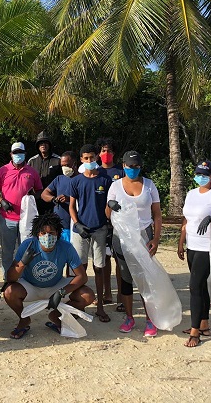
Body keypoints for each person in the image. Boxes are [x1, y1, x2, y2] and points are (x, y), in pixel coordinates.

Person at [3, 213, 95, 339]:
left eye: (52, 232)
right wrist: (22, 263)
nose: (47, 236)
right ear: (37, 234)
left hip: (56, 285)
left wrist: (62, 291)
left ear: (58, 233)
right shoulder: (28, 245)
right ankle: (23, 319)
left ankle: (56, 317)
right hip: (31, 286)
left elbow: (82, 277)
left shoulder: (66, 247)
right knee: (9, 292)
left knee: (88, 295)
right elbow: (10, 278)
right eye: (43, 233)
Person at [106, 150, 162, 337]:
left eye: (137, 166)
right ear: (123, 166)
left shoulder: (149, 185)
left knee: (145, 278)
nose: (133, 169)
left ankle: (150, 319)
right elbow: (107, 214)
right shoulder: (115, 186)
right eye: (130, 166)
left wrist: (155, 238)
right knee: (126, 277)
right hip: (121, 236)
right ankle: (129, 317)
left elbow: (157, 215)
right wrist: (110, 206)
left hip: (143, 235)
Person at [177, 160, 211, 348]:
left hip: (208, 246)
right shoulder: (191, 194)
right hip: (192, 243)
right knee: (199, 287)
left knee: (194, 286)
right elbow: (186, 219)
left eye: (205, 175)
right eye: (198, 174)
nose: (201, 178)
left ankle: (194, 332)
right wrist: (181, 242)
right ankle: (204, 322)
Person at [69, 143, 113, 323]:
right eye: (85, 158)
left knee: (100, 267)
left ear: (96, 158)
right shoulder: (76, 181)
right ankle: (78, 304)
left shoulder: (105, 180)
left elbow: (109, 206)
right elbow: (72, 206)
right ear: (81, 160)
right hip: (81, 230)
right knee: (80, 268)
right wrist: (78, 224)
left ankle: (100, 306)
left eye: (92, 158)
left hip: (100, 229)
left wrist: (109, 224)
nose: (89, 161)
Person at [0, 142, 43, 278]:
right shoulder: (3, 170)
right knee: (7, 250)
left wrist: (32, 197)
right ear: (11, 154)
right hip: (8, 217)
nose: (18, 155)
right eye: (15, 152)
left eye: (20, 152)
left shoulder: (31, 171)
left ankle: (24, 276)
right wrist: (2, 201)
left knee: (26, 249)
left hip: (27, 218)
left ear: (25, 154)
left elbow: (39, 190)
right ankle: (8, 277)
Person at [95, 137, 126, 311]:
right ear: (99, 154)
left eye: (109, 150)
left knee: (119, 259)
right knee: (103, 259)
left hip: (118, 222)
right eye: (103, 150)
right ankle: (107, 293)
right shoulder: (95, 172)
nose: (106, 154)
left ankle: (122, 295)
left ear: (114, 154)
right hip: (100, 222)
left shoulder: (121, 172)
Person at [41, 151, 78, 243]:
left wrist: (70, 199)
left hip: (75, 225)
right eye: (62, 166)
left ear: (75, 163)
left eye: (67, 165)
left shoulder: (81, 179)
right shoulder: (59, 179)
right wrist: (54, 199)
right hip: (59, 226)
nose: (64, 168)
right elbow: (44, 194)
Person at [27, 131, 61, 214]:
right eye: (41, 143)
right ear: (38, 146)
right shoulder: (32, 161)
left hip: (52, 200)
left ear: (49, 145)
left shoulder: (58, 160)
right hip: (36, 200)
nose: (43, 145)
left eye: (45, 143)